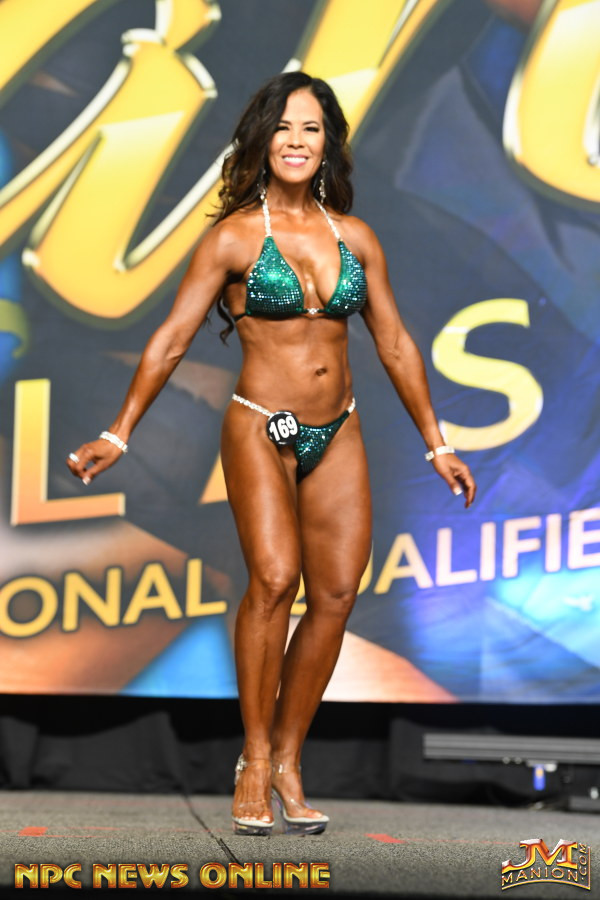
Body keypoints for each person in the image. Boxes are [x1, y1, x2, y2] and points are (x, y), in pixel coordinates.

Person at [66, 71, 476, 836]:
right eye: (284, 127)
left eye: (311, 128)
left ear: (327, 145)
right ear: (263, 140)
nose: (296, 140)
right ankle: (253, 758)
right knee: (275, 578)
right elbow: (172, 340)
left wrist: (437, 444)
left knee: (337, 594)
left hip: (339, 428)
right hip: (261, 426)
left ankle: (289, 758)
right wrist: (119, 433)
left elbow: (393, 342)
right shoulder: (230, 238)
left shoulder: (355, 237)